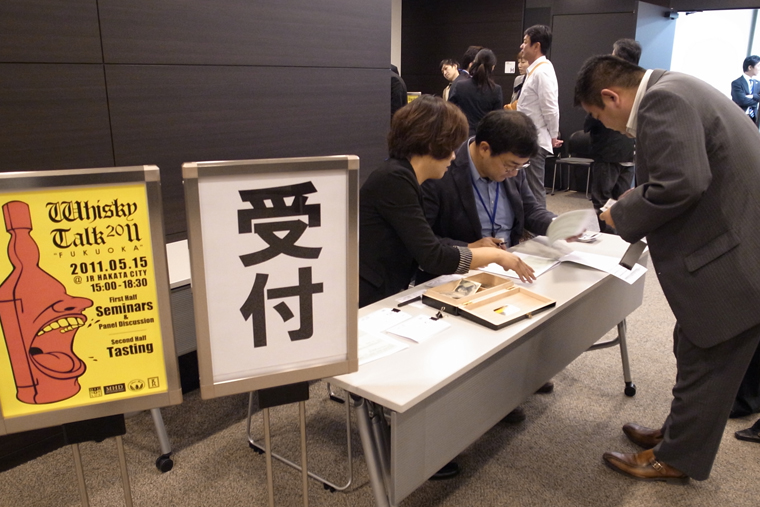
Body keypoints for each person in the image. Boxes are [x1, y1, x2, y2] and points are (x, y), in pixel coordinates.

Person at [575, 55, 760, 483]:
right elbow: (688, 170)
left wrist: (622, 213)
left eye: (598, 117)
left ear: (611, 97)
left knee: (708, 359)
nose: (606, 126)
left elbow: (681, 183)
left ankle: (676, 458)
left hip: (733, 257)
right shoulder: (676, 86)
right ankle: (677, 436)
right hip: (738, 240)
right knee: (692, 344)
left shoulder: (662, 101)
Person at [421, 109, 557, 404]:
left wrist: (559, 226)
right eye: (510, 166)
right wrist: (473, 248)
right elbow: (424, 241)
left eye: (521, 166)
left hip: (509, 264)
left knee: (549, 300)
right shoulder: (442, 170)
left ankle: (518, 375)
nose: (515, 173)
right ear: (484, 149)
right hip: (460, 270)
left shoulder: (512, 169)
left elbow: (530, 210)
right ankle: (498, 393)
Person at [359, 95, 535, 309]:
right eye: (450, 148)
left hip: (387, 288)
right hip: (370, 295)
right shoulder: (395, 180)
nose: (453, 156)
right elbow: (432, 256)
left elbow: (423, 241)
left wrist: (473, 249)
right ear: (433, 145)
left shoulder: (402, 176)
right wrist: (496, 256)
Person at [584, 39, 640, 233]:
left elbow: (594, 117)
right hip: (629, 151)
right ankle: (618, 237)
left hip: (608, 151)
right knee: (621, 199)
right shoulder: (638, 85)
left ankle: (608, 238)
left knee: (602, 199)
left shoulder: (611, 86)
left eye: (612, 54)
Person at [517, 25, 562, 208]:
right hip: (527, 138)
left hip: (535, 140)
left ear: (536, 46)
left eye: (525, 42)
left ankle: (540, 224)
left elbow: (550, 108)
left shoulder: (543, 71)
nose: (522, 46)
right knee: (526, 189)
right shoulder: (534, 71)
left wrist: (553, 135)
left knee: (534, 191)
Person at [449, 49, 503, 135]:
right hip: (485, 136)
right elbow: (497, 120)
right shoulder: (496, 90)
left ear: (474, 63)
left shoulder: (460, 86)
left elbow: (450, 111)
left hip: (463, 135)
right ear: (493, 67)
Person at [730, 55, 760, 125]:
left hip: (754, 118)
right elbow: (741, 100)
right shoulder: (737, 83)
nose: (759, 69)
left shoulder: (758, 84)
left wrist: (753, 96)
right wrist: (756, 101)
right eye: (758, 66)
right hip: (740, 116)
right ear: (750, 67)